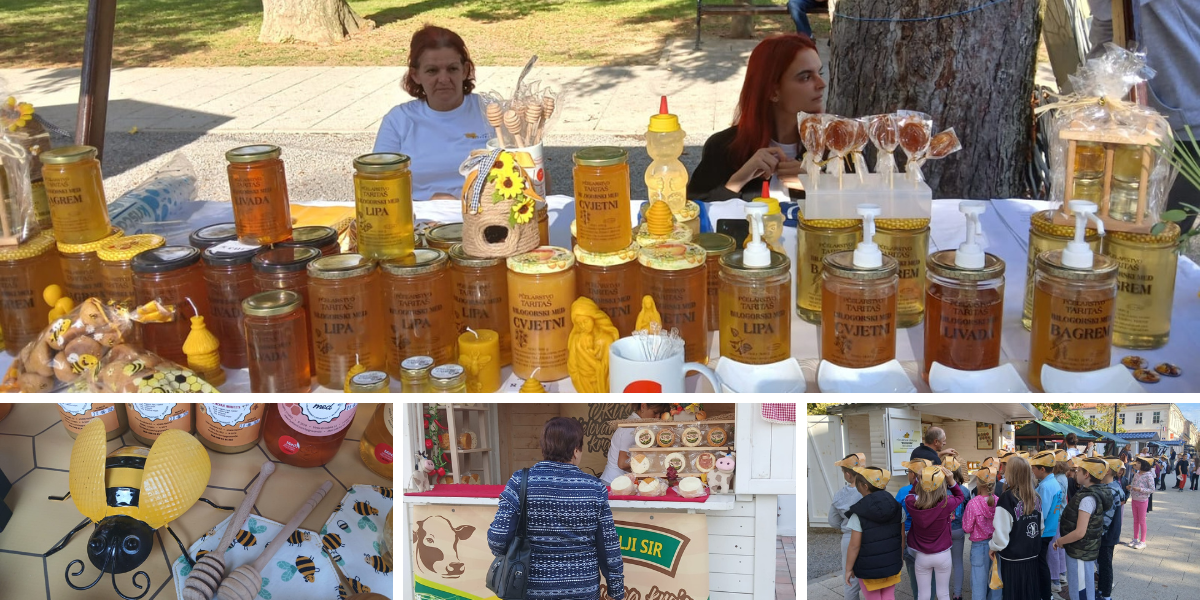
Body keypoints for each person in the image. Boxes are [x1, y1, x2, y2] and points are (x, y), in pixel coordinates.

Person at [487, 417, 625, 600]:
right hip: (582, 590)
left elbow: (497, 539)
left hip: (530, 590)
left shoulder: (519, 482)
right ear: (576, 450)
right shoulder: (594, 488)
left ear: (544, 448)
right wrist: (616, 590)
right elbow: (608, 546)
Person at [687, 34, 825, 202]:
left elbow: (859, 209)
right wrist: (738, 181)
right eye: (806, 77)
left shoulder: (836, 146)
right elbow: (694, 214)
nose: (821, 84)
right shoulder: (724, 147)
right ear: (773, 91)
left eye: (820, 72)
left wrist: (819, 185)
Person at [373, 25, 493, 200]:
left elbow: (528, 176)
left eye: (452, 69)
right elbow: (378, 186)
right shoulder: (398, 120)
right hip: (418, 219)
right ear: (415, 75)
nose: (444, 79)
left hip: (485, 216)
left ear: (465, 70)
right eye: (432, 71)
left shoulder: (492, 112)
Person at [1053, 457, 1112, 600]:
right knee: (1084, 585)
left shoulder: (1087, 499)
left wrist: (1061, 541)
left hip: (1079, 552)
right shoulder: (1091, 493)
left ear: (1086, 475)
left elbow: (1080, 532)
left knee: (1079, 588)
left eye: (1078, 470)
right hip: (1083, 550)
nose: (1075, 473)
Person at [905, 465, 965, 600]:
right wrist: (952, 482)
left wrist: (918, 480)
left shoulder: (912, 504)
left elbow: (910, 494)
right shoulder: (946, 504)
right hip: (943, 554)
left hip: (922, 555)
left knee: (923, 594)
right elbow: (960, 496)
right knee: (943, 593)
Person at [845, 466, 904, 600]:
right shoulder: (898, 508)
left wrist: (848, 569)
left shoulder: (858, 513)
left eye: (858, 485)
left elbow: (854, 546)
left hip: (868, 568)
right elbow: (901, 537)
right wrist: (899, 558)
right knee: (889, 596)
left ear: (865, 486)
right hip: (891, 564)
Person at [989, 456, 1042, 600]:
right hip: (1032, 555)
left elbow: (1001, 533)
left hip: (1013, 559)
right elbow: (1040, 526)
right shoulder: (1036, 496)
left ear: (1011, 474)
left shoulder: (1007, 498)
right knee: (1030, 592)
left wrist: (993, 547)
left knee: (1014, 594)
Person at [897, 459, 938, 600]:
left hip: (909, 536)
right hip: (931, 536)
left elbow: (896, 515)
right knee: (931, 573)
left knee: (915, 576)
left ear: (914, 475)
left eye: (908, 472)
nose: (907, 475)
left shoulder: (904, 492)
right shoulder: (935, 491)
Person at [599, 404, 670, 485]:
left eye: (660, 414)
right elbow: (622, 463)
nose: (657, 417)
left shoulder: (639, 425)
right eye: (655, 412)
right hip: (614, 482)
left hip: (620, 482)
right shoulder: (631, 427)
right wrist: (651, 462)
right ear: (643, 406)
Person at [1030, 451, 1064, 600]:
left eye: (1034, 468)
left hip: (1042, 531)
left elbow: (1040, 512)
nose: (1032, 471)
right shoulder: (1053, 482)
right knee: (1042, 562)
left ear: (1042, 469)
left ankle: (1045, 594)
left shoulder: (1045, 487)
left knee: (1041, 563)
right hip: (1050, 528)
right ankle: (1046, 593)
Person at [962, 468, 1001, 600]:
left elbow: (967, 528)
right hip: (996, 545)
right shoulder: (998, 501)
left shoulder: (973, 503)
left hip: (979, 547)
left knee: (978, 583)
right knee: (995, 582)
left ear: (978, 483)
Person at [832, 454, 867, 600]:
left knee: (849, 580)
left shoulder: (839, 495)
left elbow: (832, 521)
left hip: (848, 536)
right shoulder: (867, 490)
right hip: (868, 536)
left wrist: (846, 525)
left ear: (847, 474)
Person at [1097, 457, 1127, 600]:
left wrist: (1099, 532)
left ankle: (1106, 594)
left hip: (1107, 534)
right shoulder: (1114, 486)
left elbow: (1106, 518)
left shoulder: (1111, 490)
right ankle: (1102, 590)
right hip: (1110, 533)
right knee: (1103, 563)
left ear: (1108, 471)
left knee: (1105, 565)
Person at [946, 463, 972, 600]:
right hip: (958, 530)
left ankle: (943, 593)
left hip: (942, 532)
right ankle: (957, 594)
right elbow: (968, 508)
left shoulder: (938, 490)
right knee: (958, 562)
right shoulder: (964, 490)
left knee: (943, 564)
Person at [1128, 456, 1154, 548]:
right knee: (1135, 520)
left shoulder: (1149, 475)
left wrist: (1140, 489)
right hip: (1134, 500)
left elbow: (1152, 489)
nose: (1136, 464)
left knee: (1142, 521)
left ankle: (1142, 541)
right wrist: (1130, 488)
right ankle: (1135, 539)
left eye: (1138, 463)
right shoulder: (1136, 474)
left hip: (1143, 500)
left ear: (1144, 464)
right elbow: (1133, 484)